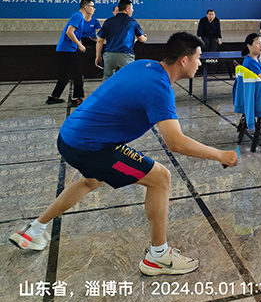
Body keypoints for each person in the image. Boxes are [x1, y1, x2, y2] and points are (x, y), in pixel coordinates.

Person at [9, 32, 239, 275]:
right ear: (184, 60)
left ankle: (33, 230)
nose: (200, 63)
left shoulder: (144, 65)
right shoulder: (159, 88)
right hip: (91, 146)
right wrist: (220, 155)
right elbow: (176, 142)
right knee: (160, 178)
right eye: (198, 57)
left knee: (91, 180)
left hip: (68, 135)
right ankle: (158, 256)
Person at [47, 0, 95, 106]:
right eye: (92, 7)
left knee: (65, 74)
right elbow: (69, 32)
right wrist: (80, 45)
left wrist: (79, 41)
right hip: (67, 49)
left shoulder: (79, 17)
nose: (94, 9)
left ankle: (54, 97)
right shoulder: (78, 16)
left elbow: (74, 33)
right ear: (86, 7)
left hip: (66, 49)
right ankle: (77, 99)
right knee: (77, 73)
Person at [96, 0, 146, 80]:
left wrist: (98, 55)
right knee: (129, 79)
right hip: (126, 56)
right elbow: (141, 39)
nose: (132, 10)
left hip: (109, 55)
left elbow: (100, 40)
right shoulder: (132, 22)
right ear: (127, 9)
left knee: (108, 80)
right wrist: (145, 38)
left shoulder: (108, 21)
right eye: (131, 8)